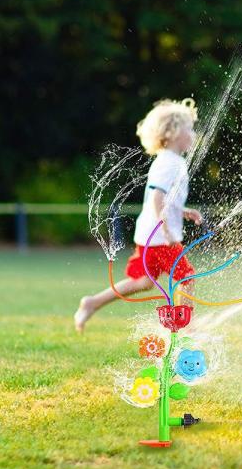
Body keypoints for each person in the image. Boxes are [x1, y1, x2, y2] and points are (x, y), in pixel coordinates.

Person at [74, 98, 203, 333]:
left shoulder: (172, 161)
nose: (193, 134)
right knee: (186, 276)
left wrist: (183, 212)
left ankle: (92, 302)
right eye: (189, 129)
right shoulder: (169, 163)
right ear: (173, 132)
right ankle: (188, 327)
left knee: (143, 282)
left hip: (150, 235)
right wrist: (165, 228)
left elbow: (165, 199)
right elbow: (156, 198)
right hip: (159, 237)